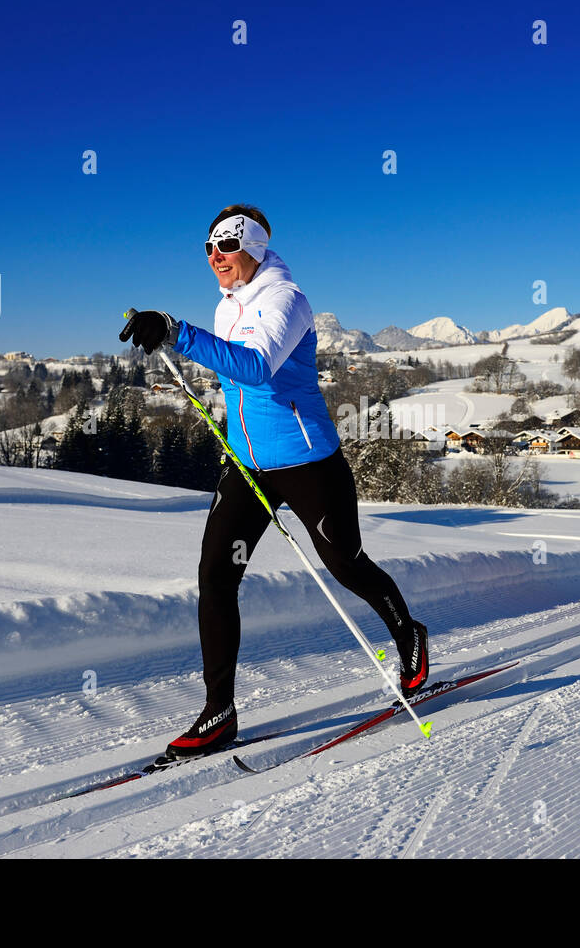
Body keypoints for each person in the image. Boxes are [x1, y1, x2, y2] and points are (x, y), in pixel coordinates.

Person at [119, 205, 428, 757]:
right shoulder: (226, 306)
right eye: (208, 248)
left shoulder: (287, 300)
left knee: (345, 564)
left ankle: (407, 633)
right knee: (215, 576)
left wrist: (176, 330)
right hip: (246, 466)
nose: (216, 257)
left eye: (227, 246)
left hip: (307, 463)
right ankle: (219, 711)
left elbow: (258, 366)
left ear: (255, 248)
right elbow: (236, 378)